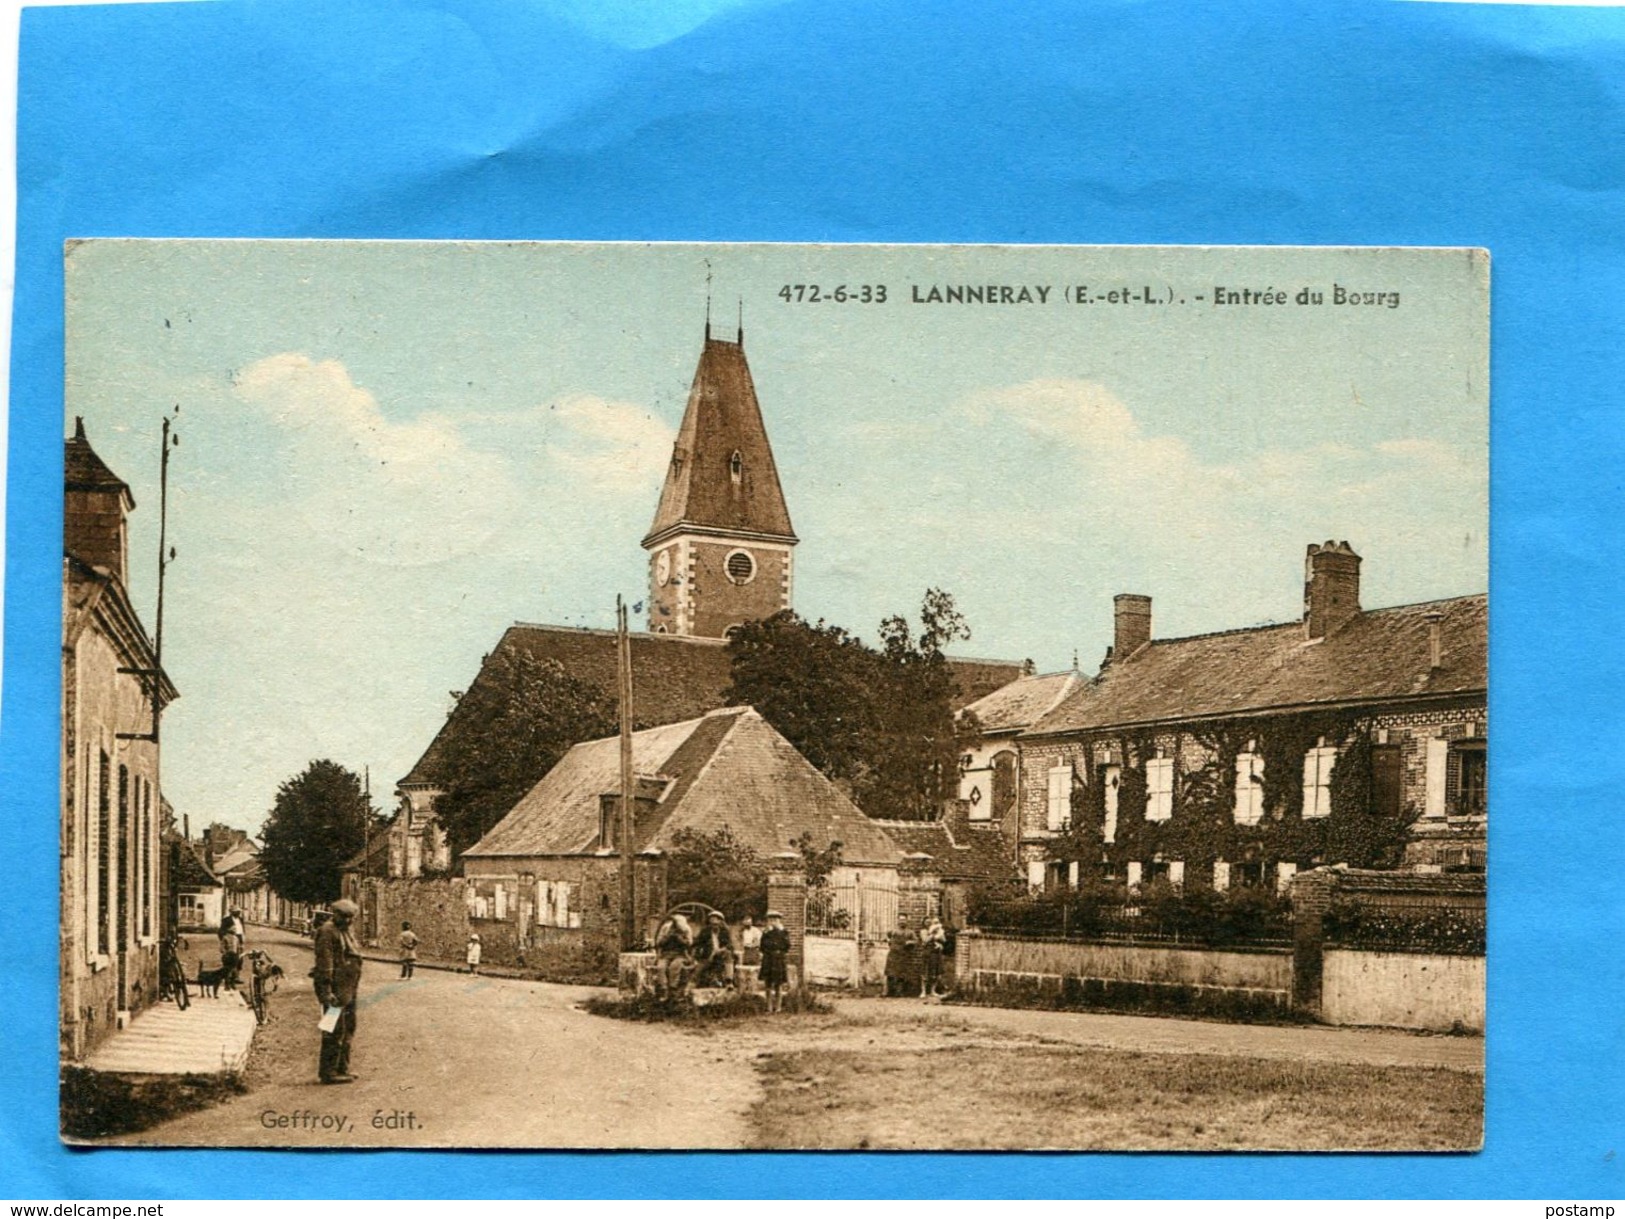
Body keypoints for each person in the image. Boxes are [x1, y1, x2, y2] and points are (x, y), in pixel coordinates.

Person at [312, 898, 364, 1085]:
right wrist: (326, 992)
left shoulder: (345, 931)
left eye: (351, 917)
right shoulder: (327, 932)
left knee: (349, 1028)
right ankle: (329, 1071)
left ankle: (342, 1067)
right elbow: (325, 964)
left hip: (348, 989)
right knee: (333, 1029)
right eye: (345, 916)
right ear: (335, 914)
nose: (349, 921)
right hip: (334, 991)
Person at [653, 912, 694, 1000]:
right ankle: (664, 989)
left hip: (680, 955)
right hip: (666, 954)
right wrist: (667, 938)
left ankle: (673, 988)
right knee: (661, 967)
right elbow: (658, 943)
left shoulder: (686, 929)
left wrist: (680, 939)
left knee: (674, 966)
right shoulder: (666, 928)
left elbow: (689, 944)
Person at [692, 911, 736, 989]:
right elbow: (697, 943)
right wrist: (696, 955)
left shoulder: (725, 932)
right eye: (712, 923)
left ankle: (729, 981)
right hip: (708, 956)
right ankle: (692, 984)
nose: (714, 926)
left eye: (716, 923)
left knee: (728, 955)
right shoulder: (705, 931)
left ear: (720, 922)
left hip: (721, 955)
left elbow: (730, 945)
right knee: (698, 970)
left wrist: (720, 950)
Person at [759, 910, 791, 1013]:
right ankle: (768, 1007)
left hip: (778, 959)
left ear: (779, 920)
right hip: (768, 959)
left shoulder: (784, 932)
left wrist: (780, 932)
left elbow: (787, 946)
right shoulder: (766, 933)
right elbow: (762, 946)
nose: (773, 922)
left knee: (778, 984)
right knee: (768, 984)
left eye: (775, 919)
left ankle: (778, 1007)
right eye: (771, 919)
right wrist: (767, 933)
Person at [920, 917, 947, 997]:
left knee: (935, 972)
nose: (928, 923)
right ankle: (923, 991)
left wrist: (940, 941)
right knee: (925, 972)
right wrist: (932, 934)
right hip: (927, 953)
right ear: (924, 923)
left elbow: (944, 940)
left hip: (936, 953)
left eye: (929, 922)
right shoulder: (923, 931)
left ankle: (933, 991)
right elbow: (925, 940)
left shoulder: (938, 931)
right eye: (926, 922)